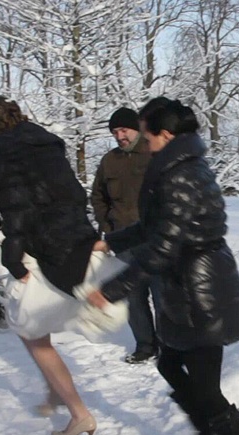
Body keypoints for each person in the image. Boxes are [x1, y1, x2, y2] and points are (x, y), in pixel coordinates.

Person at [87, 97, 239, 435]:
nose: (143, 142)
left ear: (165, 135)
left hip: (200, 290)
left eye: (147, 135)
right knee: (170, 364)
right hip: (187, 284)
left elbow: (164, 245)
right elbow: (156, 227)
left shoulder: (180, 173)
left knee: (204, 384)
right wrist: (112, 240)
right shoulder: (176, 166)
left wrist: (113, 290)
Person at [0, 96, 110, 435]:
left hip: (45, 251)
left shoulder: (6, 156)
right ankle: (55, 393)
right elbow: (71, 197)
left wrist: (12, 259)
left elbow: (17, 213)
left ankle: (79, 414)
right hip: (75, 242)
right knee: (34, 331)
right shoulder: (46, 147)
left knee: (31, 334)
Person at [90, 107, 158, 364]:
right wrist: (107, 223)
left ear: (137, 129)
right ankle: (145, 346)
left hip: (153, 238)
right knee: (134, 297)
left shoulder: (153, 154)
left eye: (124, 130)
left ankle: (169, 346)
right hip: (123, 239)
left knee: (162, 294)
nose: (120, 136)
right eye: (115, 132)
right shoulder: (109, 160)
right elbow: (98, 196)